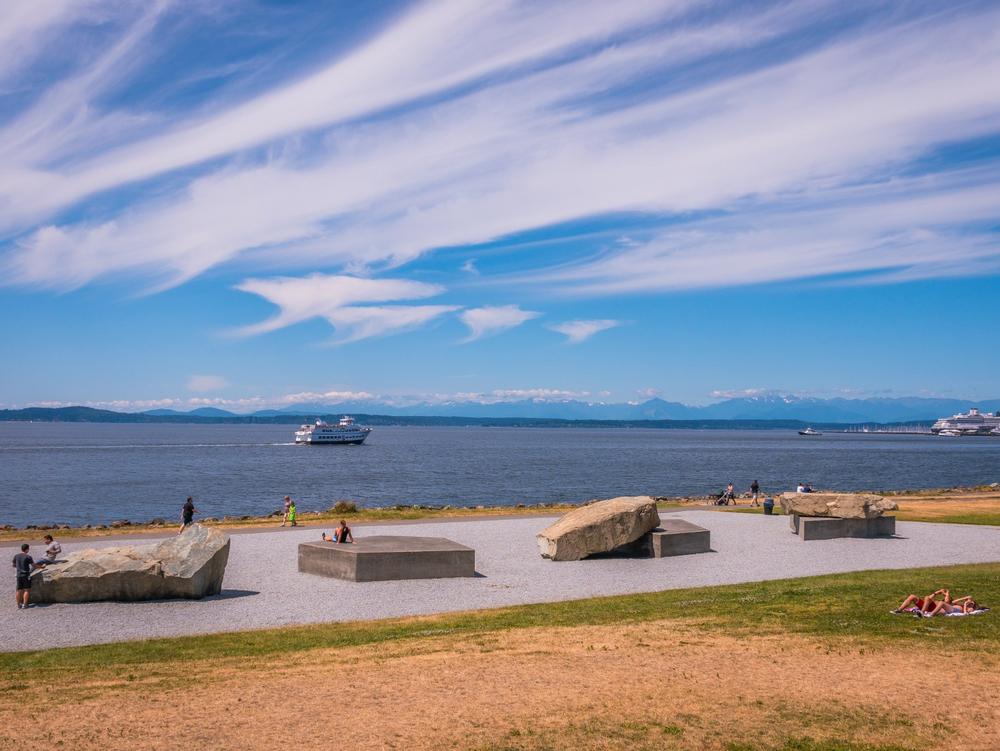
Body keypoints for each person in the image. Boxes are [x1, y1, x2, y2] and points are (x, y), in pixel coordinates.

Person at [13, 543, 39, 609]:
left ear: (21, 549)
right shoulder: (28, 557)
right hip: (26, 575)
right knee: (26, 590)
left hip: (19, 575)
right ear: (27, 549)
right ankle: (25, 604)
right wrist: (41, 567)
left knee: (19, 590)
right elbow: (34, 566)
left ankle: (18, 605)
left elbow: (14, 565)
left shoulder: (16, 556)